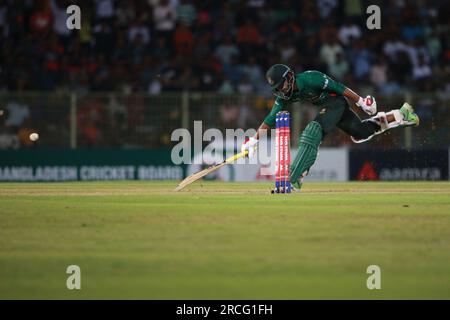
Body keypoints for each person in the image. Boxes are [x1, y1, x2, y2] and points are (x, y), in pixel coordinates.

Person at [241, 64, 420, 190]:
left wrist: (360, 101)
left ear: (289, 77)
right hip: (330, 108)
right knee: (359, 133)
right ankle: (400, 115)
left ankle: (296, 176)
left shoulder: (311, 78)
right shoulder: (284, 97)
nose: (281, 91)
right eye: (278, 89)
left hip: (336, 103)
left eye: (282, 85)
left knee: (312, 131)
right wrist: (254, 140)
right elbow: (271, 118)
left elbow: (338, 87)